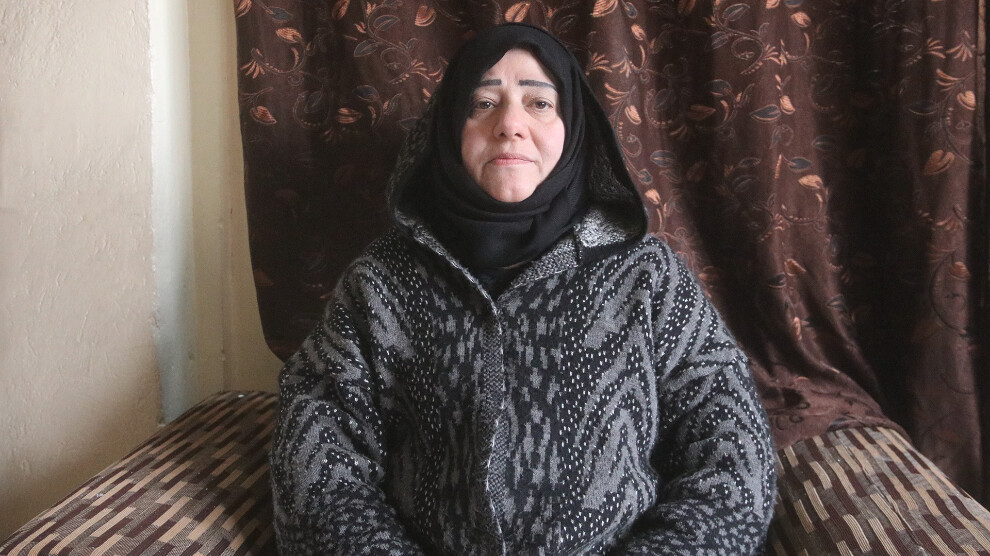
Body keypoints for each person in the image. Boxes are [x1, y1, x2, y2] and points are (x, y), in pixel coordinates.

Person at [270, 23, 777, 555]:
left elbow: (734, 456)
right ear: (449, 127)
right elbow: (316, 466)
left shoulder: (649, 278)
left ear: (574, 128)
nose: (510, 124)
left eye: (539, 103)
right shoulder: (379, 284)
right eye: (483, 103)